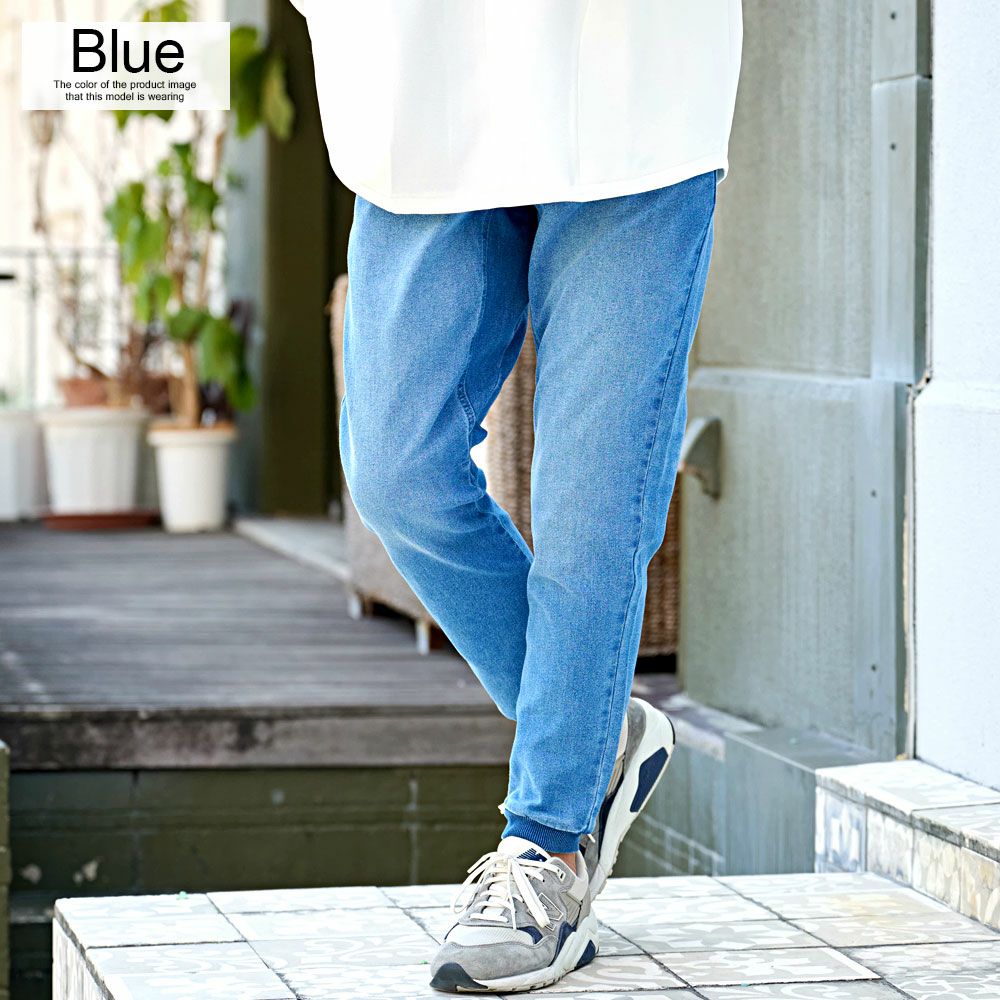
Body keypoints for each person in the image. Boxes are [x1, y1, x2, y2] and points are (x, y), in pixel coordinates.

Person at [290, 2, 742, 992]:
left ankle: (548, 844)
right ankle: (595, 735)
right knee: (397, 471)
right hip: (423, 96)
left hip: (633, 90)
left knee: (590, 508)